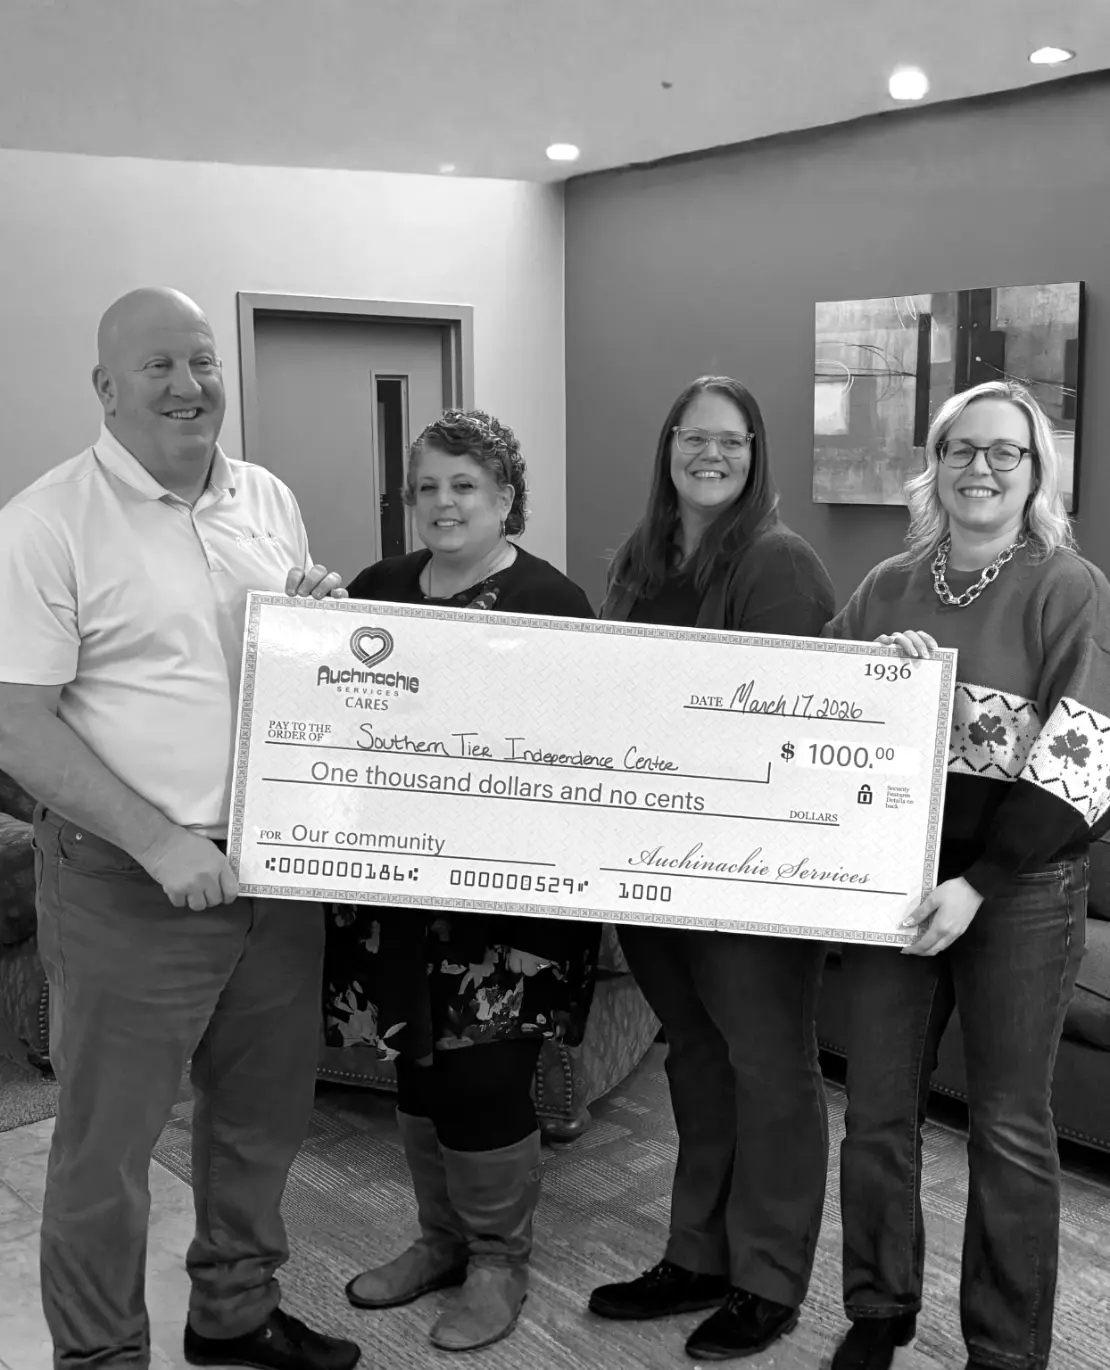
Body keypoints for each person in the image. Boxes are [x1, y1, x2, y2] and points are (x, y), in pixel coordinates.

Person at [0, 288, 361, 1370]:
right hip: (128, 879)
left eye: (203, 361)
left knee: (260, 1116)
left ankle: (233, 1314)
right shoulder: (45, 522)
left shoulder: (267, 498)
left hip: (271, 870)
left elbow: (286, 673)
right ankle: (102, 1353)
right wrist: (162, 842)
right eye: (157, 365)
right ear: (106, 388)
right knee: (107, 1147)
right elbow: (16, 721)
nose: (189, 384)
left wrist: (321, 623)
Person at [824, 380, 1110, 1370]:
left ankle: (1003, 1346)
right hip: (898, 878)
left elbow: (1083, 760)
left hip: (1021, 890)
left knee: (1011, 1126)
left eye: (1006, 452)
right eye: (961, 449)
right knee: (877, 1111)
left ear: (1036, 473)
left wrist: (978, 881)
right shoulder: (888, 586)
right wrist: (876, 674)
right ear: (934, 463)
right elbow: (812, 711)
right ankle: (877, 1308)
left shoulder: (1069, 585)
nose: (981, 468)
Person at [331, 408, 601, 1353]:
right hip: (397, 897)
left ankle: (498, 1263)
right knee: (416, 1069)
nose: (444, 504)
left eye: (466, 487)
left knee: (486, 1080)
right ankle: (441, 1241)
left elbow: (584, 758)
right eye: (428, 487)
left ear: (506, 499)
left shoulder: (553, 604)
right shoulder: (377, 589)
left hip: (507, 909)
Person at [586, 375, 836, 1361]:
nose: (712, 456)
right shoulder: (640, 557)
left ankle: (767, 1276)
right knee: (694, 1054)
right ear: (670, 448)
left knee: (771, 1070)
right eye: (695, 438)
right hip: (650, 863)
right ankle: (695, 1253)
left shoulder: (780, 564)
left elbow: (776, 735)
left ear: (755, 453)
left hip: (745, 872)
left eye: (731, 441)